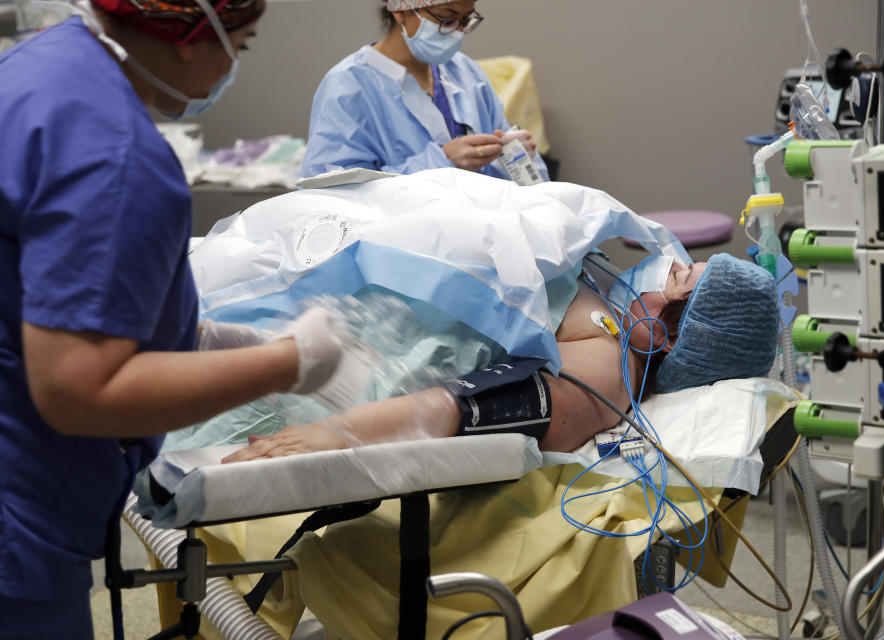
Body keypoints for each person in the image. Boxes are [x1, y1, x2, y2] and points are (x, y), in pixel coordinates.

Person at [0, 1, 349, 636]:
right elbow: (79, 390)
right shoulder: (117, 158)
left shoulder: (40, 68)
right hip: (16, 511)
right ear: (194, 38)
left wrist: (181, 336)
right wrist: (286, 362)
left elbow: (41, 274)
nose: (230, 67)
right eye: (239, 47)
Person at [225, 253, 780, 462]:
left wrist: (335, 435)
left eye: (677, 278)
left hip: (332, 368)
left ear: (670, 339)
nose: (662, 269)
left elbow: (457, 408)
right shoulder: (616, 319)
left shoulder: (608, 373)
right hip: (338, 311)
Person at [299, 0, 550, 182]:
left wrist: (513, 158)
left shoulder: (466, 73)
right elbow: (331, 195)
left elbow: (502, 182)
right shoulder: (348, 87)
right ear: (401, 9)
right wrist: (440, 163)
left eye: (466, 20)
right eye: (446, 18)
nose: (458, 32)